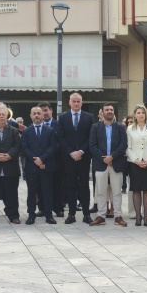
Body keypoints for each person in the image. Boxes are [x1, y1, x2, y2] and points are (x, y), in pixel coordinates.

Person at [88, 104, 128, 227]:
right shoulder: (95, 127)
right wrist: (104, 158)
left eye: (111, 110)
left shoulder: (120, 127)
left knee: (117, 192)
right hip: (100, 164)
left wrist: (112, 157)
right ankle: (101, 216)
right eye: (107, 110)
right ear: (102, 112)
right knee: (101, 192)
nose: (109, 111)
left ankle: (118, 216)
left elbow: (124, 144)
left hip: (117, 163)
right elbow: (92, 145)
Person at [57, 93, 94, 224]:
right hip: (69, 158)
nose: (76, 103)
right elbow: (61, 137)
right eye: (74, 101)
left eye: (78, 101)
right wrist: (71, 152)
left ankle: (86, 214)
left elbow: (91, 136)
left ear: (81, 103)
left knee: (84, 186)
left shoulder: (89, 117)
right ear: (69, 102)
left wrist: (81, 151)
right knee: (70, 186)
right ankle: (71, 214)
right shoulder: (63, 117)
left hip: (84, 157)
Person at [21, 105, 58, 225]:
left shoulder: (50, 131)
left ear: (43, 115)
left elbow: (53, 147)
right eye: (34, 113)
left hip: (46, 166)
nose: (37, 115)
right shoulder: (26, 131)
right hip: (32, 168)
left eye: (39, 113)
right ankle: (31, 215)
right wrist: (36, 160)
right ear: (30, 116)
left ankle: (49, 216)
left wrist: (42, 159)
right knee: (31, 193)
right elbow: (24, 148)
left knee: (47, 192)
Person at [126, 105, 147, 226]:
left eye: (143, 113)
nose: (141, 115)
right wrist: (136, 160)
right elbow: (128, 148)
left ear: (146, 115)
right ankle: (137, 217)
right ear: (135, 115)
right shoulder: (130, 129)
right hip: (134, 163)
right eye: (138, 113)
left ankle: (146, 217)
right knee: (136, 189)